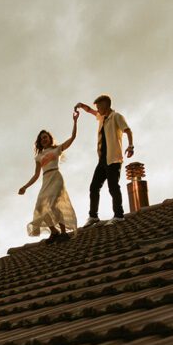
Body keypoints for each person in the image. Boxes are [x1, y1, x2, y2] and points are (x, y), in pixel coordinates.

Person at [18, 110, 79, 241]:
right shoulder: (38, 157)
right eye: (41, 139)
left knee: (53, 205)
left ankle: (63, 232)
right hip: (45, 180)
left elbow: (72, 138)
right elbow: (36, 175)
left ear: (49, 138)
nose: (43, 139)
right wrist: (25, 187)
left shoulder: (56, 149)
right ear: (39, 142)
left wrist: (75, 121)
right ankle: (54, 231)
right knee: (40, 206)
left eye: (45, 137)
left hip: (56, 177)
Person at [75, 94, 134, 224]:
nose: (98, 109)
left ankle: (119, 215)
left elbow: (128, 130)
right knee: (94, 187)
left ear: (105, 105)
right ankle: (93, 216)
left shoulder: (116, 116)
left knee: (113, 187)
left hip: (113, 158)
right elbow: (91, 111)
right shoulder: (102, 118)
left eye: (99, 106)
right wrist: (81, 106)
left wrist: (130, 146)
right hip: (102, 159)